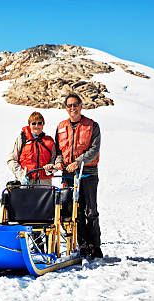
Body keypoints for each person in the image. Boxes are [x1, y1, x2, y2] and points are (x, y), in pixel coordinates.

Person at [45, 93, 103, 259]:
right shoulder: (61, 126)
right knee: (74, 213)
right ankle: (83, 246)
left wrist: (78, 161)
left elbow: (94, 149)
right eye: (69, 105)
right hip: (68, 176)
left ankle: (95, 247)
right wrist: (58, 162)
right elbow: (58, 151)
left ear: (81, 106)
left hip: (88, 174)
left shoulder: (92, 125)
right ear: (66, 108)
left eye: (75, 104)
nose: (73, 108)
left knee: (90, 212)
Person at [7, 111, 56, 185]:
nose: (37, 126)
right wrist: (21, 175)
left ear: (43, 124)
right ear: (29, 125)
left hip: (45, 183)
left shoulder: (49, 141)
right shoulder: (22, 139)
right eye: (33, 123)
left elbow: (54, 160)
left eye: (40, 123)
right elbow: (11, 160)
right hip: (26, 182)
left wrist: (51, 168)